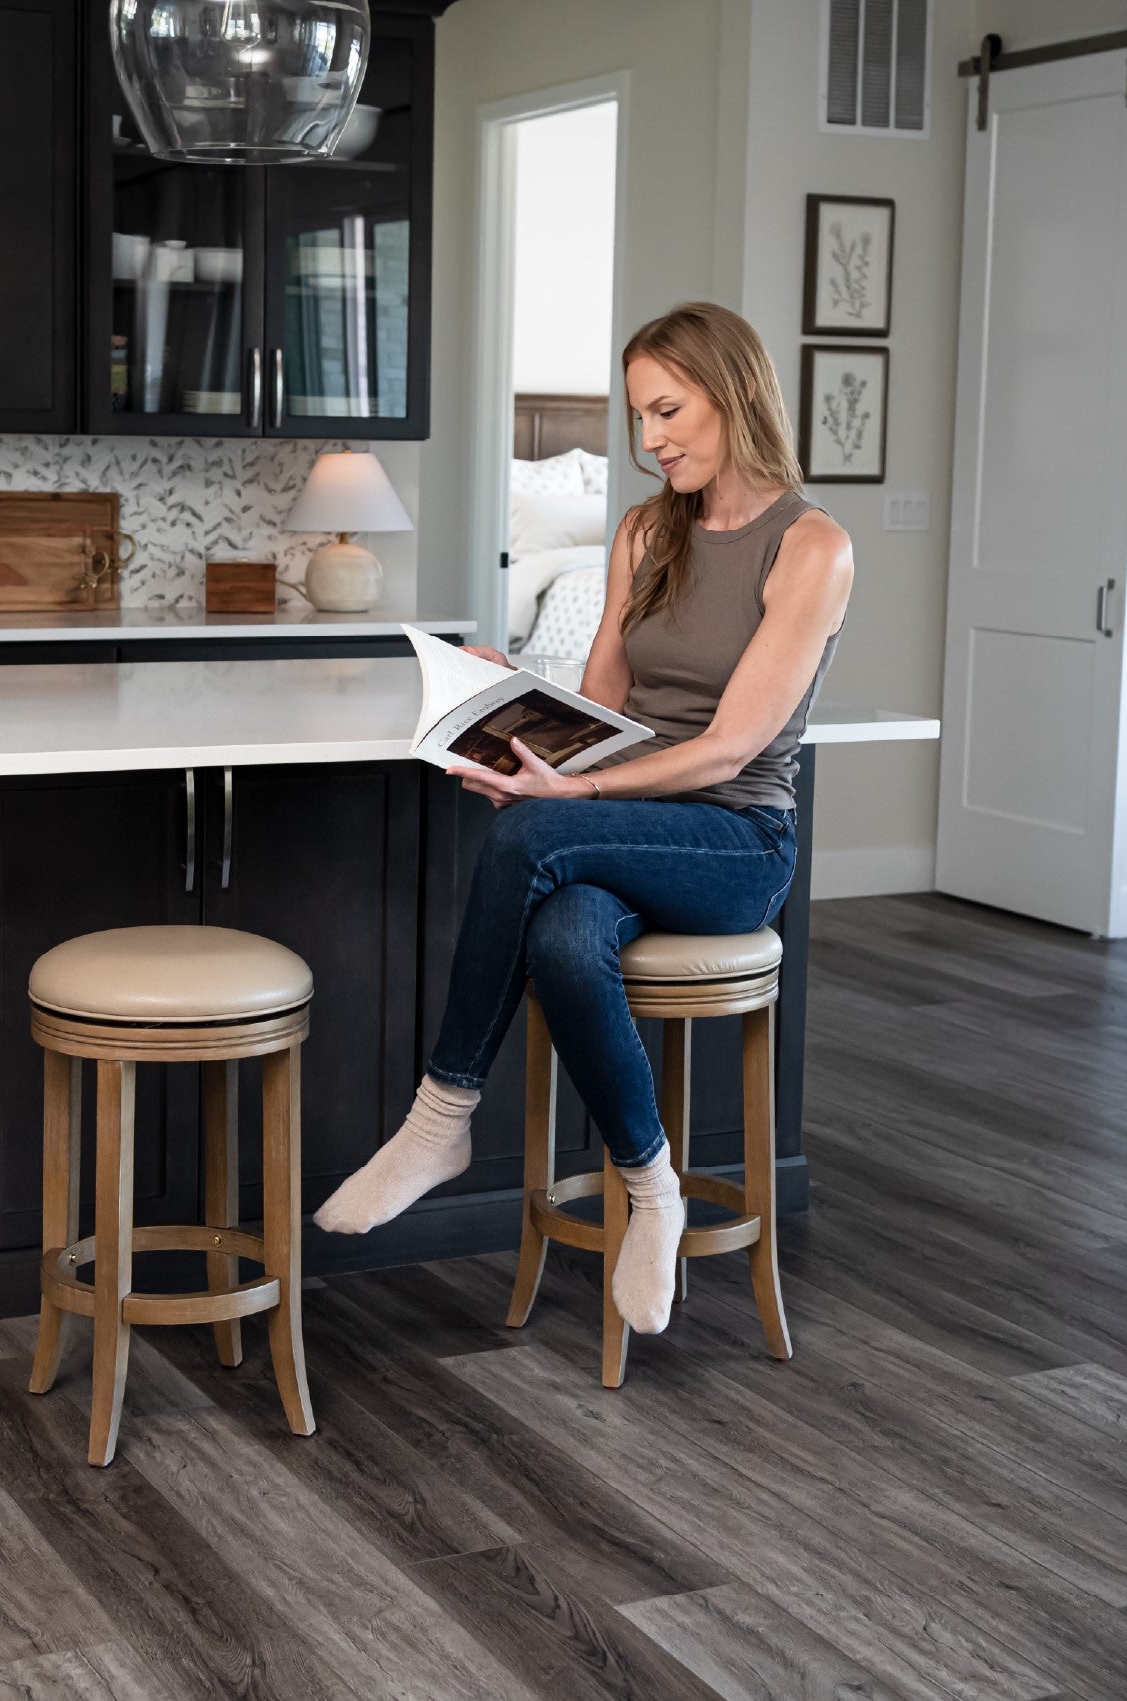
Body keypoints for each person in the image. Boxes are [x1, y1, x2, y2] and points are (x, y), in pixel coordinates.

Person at [313, 302, 854, 1335]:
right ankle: (652, 1190)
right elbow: (602, 709)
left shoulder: (811, 546)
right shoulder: (647, 531)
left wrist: (571, 798)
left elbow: (729, 749)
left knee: (530, 833)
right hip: (627, 827)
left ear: (732, 395)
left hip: (737, 841)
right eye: (639, 416)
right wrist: (509, 697)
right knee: (563, 937)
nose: (649, 440)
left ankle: (439, 1118)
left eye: (667, 412)